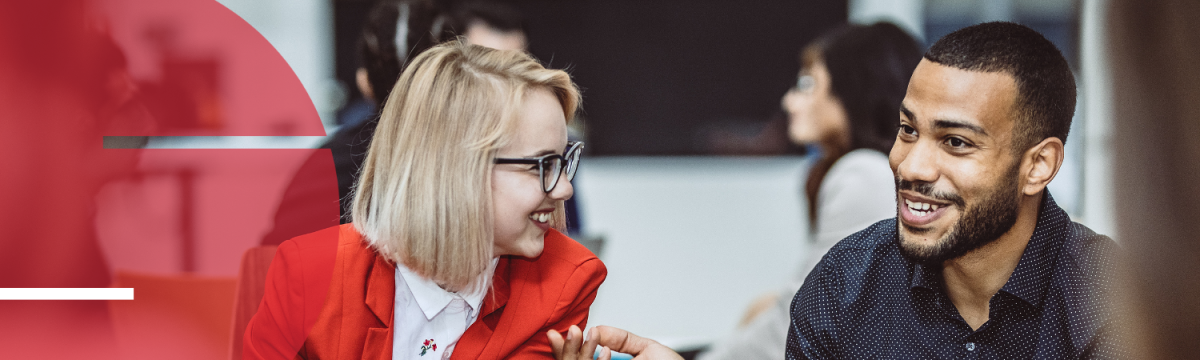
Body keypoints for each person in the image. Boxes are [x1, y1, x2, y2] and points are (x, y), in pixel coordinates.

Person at [244, 39, 607, 359]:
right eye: (542, 165)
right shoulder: (309, 274)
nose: (564, 189)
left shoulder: (565, 281)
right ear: (454, 168)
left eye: (563, 162)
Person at [787, 22, 1123, 359]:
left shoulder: (1112, 301)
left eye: (956, 142)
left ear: (1038, 166)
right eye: (908, 130)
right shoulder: (843, 286)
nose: (911, 167)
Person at [699, 22, 920, 360]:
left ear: (855, 88)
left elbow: (802, 324)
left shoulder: (863, 174)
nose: (789, 102)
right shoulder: (874, 172)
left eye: (807, 84)